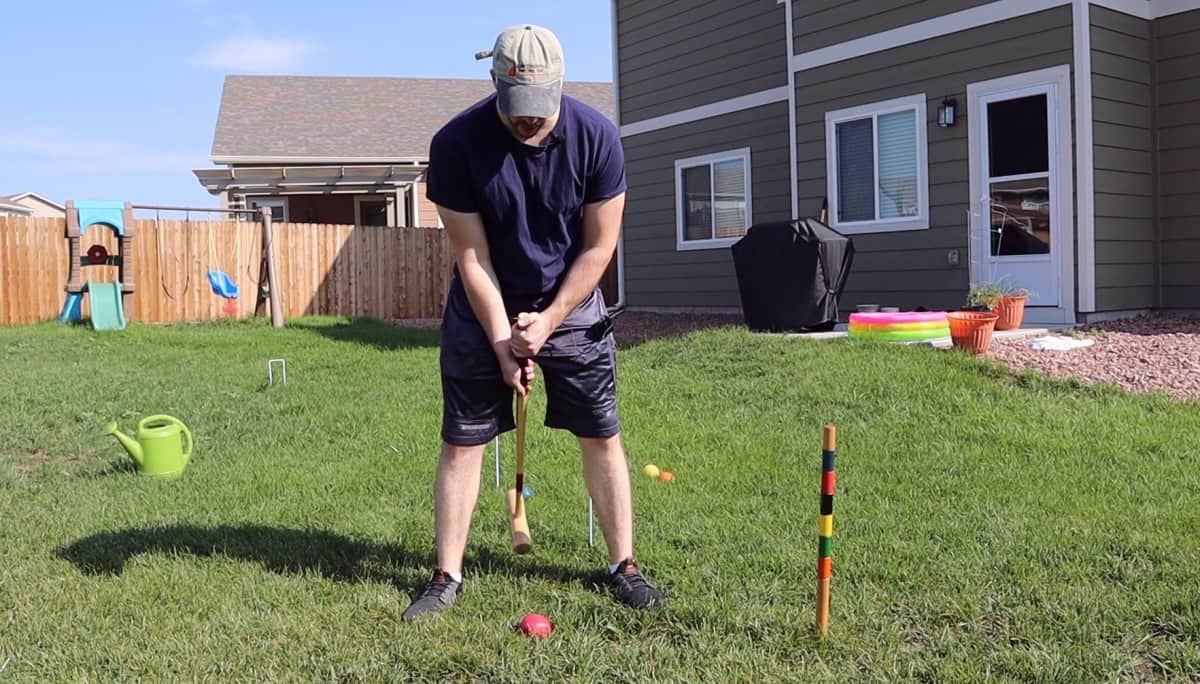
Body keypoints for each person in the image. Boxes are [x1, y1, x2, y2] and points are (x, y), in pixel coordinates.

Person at [402, 23, 664, 621]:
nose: (529, 119)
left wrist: (547, 321)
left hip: (570, 301)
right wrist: (503, 339)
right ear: (494, 82)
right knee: (462, 442)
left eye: (541, 105)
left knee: (602, 433)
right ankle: (446, 575)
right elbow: (472, 256)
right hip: (484, 303)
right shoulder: (457, 144)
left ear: (561, 85)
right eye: (518, 104)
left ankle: (624, 566)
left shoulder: (597, 139)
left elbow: (598, 249)